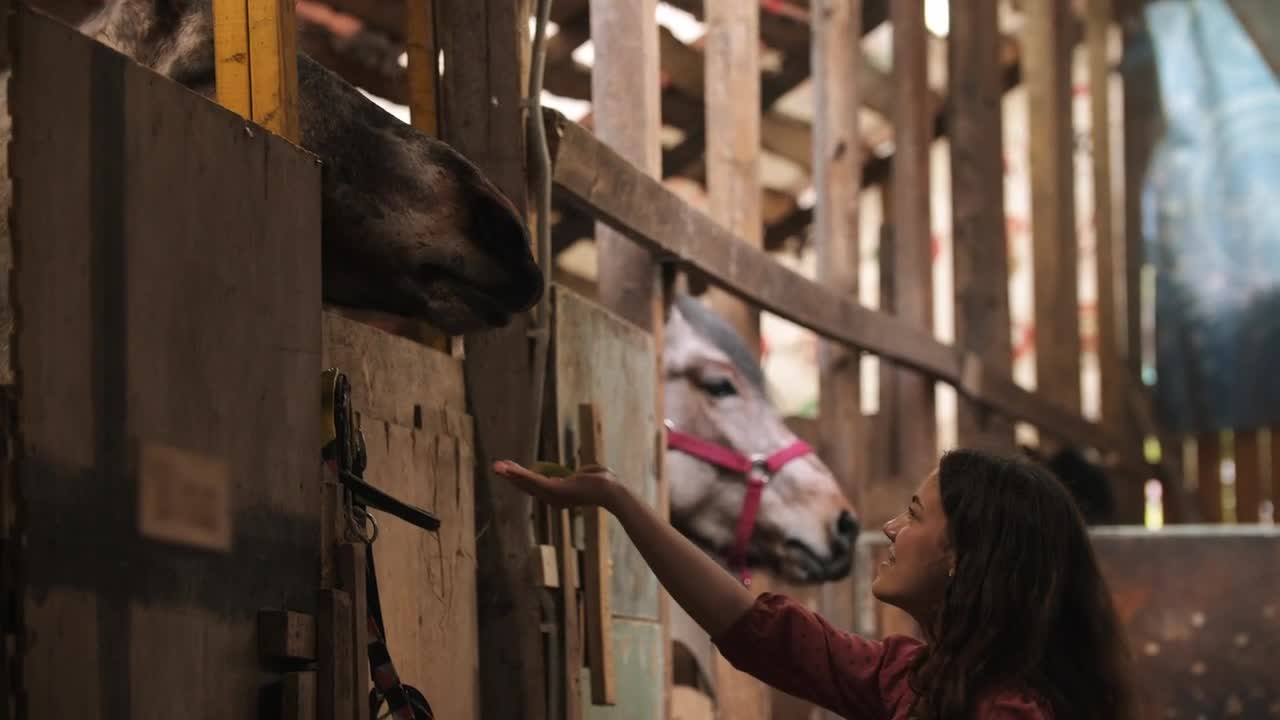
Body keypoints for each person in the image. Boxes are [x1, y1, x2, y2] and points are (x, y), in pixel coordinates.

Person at [493, 447, 1138, 720]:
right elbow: (758, 630)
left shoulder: (1007, 712)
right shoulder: (912, 677)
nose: (889, 528)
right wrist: (617, 499)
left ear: (964, 558)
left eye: (912, 515)